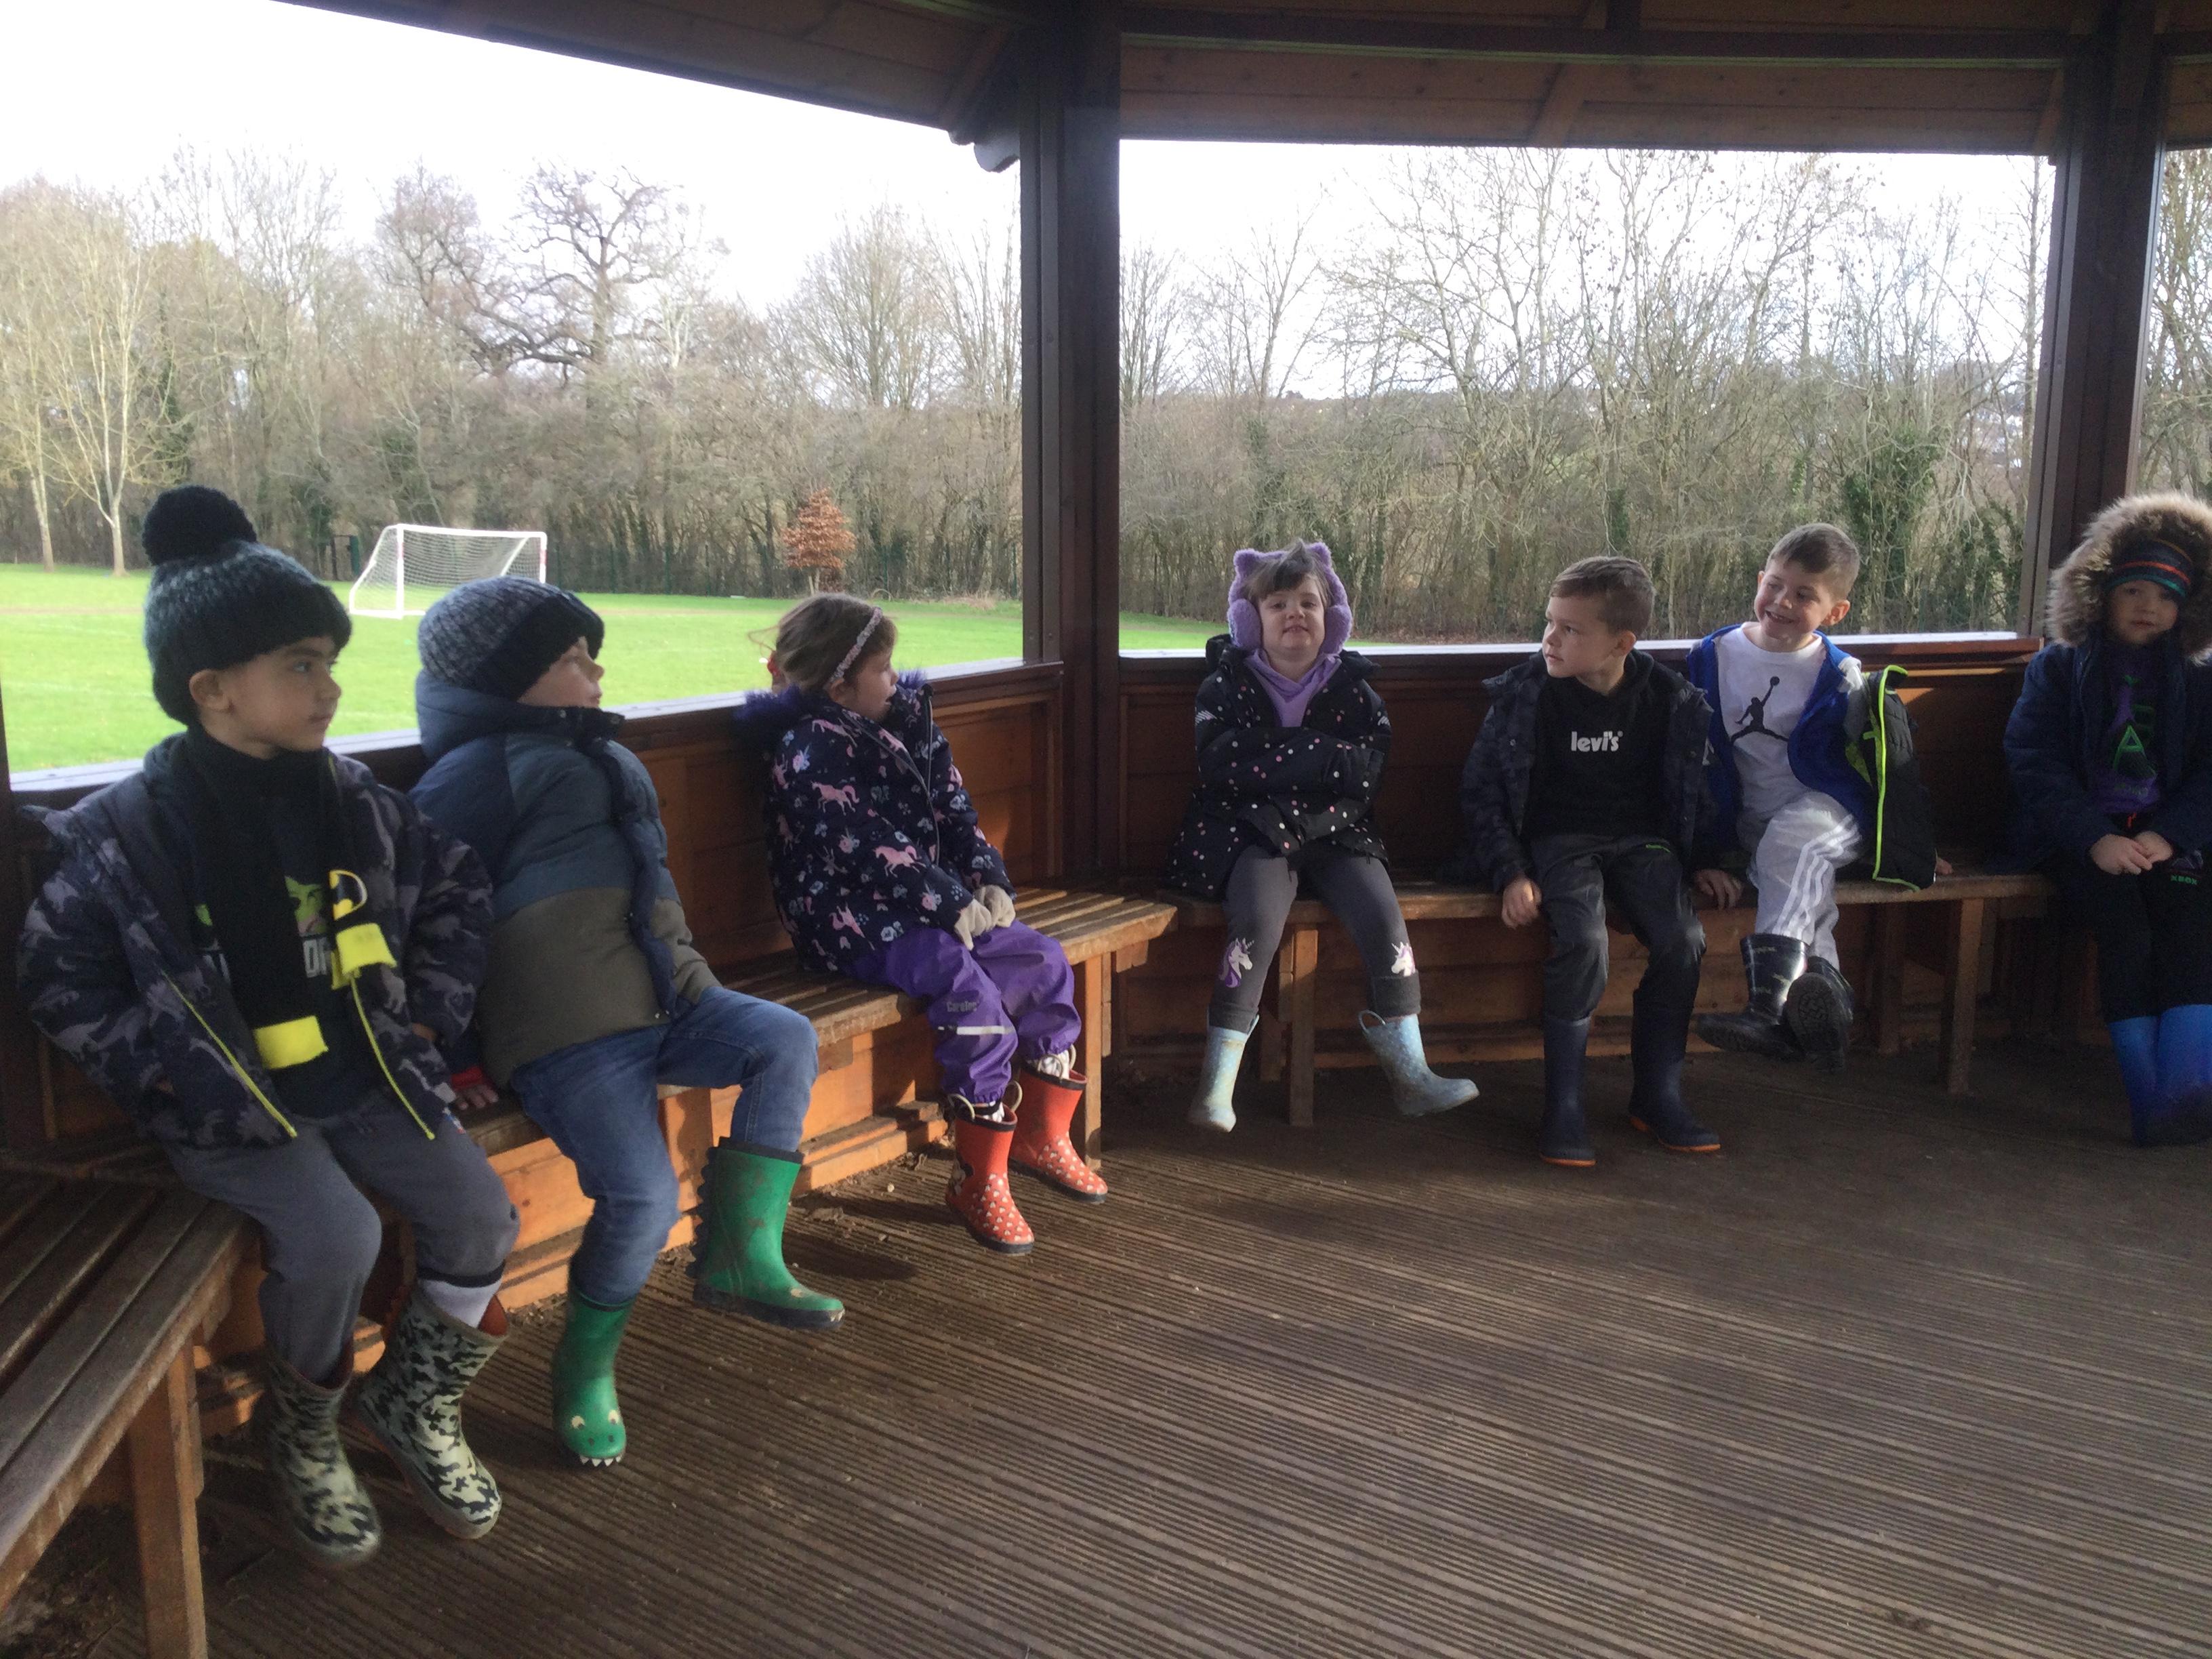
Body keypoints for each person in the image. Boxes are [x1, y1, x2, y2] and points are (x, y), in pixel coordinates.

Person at [16, 486, 517, 1568]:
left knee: (481, 1215)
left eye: (329, 662)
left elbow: (458, 889)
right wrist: (164, 1076)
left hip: (369, 1077)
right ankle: (304, 1432)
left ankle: (413, 1403)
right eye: (301, 665)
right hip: (228, 1109)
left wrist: (428, 1017)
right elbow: (63, 976)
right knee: (338, 1237)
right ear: (213, 690)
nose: (330, 686)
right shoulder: (126, 835)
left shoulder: (357, 803)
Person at [411, 576, 838, 1472]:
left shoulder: (601, 753)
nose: (596, 672)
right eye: (572, 658)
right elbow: (430, 920)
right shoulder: (472, 777)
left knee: (784, 1038)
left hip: (672, 997)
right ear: (507, 680)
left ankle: (740, 1253)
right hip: (565, 1033)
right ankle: (585, 1366)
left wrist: (691, 982)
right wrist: (454, 1052)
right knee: (643, 1198)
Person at [734, 593, 1101, 1256]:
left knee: (1042, 961)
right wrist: (949, 903)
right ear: (839, 687)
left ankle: (1041, 1135)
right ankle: (979, 1177)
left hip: (930, 904)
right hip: (848, 918)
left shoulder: (911, 724)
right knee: (966, 989)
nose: (895, 678)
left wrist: (988, 879)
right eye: (881, 669)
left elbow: (956, 812)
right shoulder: (808, 749)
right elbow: (864, 844)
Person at [1165, 539, 1477, 1129]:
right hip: (1251, 831)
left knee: (1383, 915)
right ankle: (1217, 1083)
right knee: (1257, 920)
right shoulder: (1224, 687)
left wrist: (1273, 763)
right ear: (1250, 620)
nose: (1295, 614)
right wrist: (1319, 754)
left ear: (1330, 618)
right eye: (1278, 604)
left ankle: (1412, 1074)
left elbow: (1365, 775)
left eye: (1308, 603)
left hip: (1337, 831)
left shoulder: (1356, 691)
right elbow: (1220, 764)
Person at [1449, 556, 1738, 1166]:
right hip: (1559, 843)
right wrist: (1510, 872)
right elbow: (1482, 794)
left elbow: (1696, 788)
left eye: (1571, 629)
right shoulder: (1526, 696)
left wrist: (1710, 860)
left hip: (1643, 843)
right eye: (1549, 623)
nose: (1550, 639)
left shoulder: (1670, 699)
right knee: (1584, 942)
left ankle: (1658, 1094)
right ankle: (1564, 1105)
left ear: (1621, 644)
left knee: (1683, 939)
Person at [1683, 525, 1939, 1070]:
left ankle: (1767, 1008)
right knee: (1795, 873)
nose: (1782, 602)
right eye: (1775, 585)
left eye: (1804, 595)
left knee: (1793, 845)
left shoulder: (1838, 675)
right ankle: (1827, 1006)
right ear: (1760, 579)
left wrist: (1911, 844)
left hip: (1832, 811)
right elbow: (1690, 762)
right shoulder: (1711, 656)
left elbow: (1889, 765)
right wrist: (1702, 852)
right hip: (1753, 822)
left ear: (1835, 611)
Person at [2001, 493, 2212, 1147]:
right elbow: (2034, 761)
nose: (2149, 606)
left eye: (2167, 596)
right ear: (2101, 595)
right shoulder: (2058, 667)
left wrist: (2167, 835)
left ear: (2187, 608)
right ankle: (2150, 1098)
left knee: (2190, 929)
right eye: (2134, 591)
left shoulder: (2199, 678)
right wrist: (2094, 838)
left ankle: (2189, 1088)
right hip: (2077, 841)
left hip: (2166, 840)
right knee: (2127, 932)